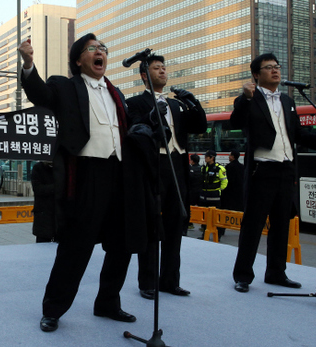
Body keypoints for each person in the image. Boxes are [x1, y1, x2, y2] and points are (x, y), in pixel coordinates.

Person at [19, 34, 158, 332]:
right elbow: (40, 95)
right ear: (79, 59)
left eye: (103, 49)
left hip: (120, 174)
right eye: (93, 49)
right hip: (87, 174)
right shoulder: (66, 86)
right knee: (75, 247)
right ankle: (53, 309)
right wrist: (29, 65)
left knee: (121, 244)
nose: (101, 53)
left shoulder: (115, 92)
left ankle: (108, 303)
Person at [231, 53, 316, 293]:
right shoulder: (251, 99)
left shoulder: (287, 100)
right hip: (262, 170)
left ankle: (276, 272)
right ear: (256, 74)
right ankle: (242, 275)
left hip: (286, 168)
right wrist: (245, 98)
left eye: (277, 67)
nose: (275, 71)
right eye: (268, 67)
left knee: (282, 224)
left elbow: (298, 135)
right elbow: (235, 121)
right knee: (253, 224)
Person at [126, 54, 207, 300]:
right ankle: (147, 281)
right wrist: (151, 117)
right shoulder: (136, 103)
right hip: (154, 164)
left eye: (164, 67)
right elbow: (133, 130)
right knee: (152, 224)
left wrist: (194, 104)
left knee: (176, 222)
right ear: (143, 75)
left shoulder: (176, 104)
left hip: (178, 165)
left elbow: (200, 126)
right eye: (156, 68)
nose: (162, 71)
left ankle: (170, 280)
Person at [199, 150, 228, 240]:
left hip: (214, 196)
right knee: (204, 216)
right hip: (204, 195)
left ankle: (217, 235)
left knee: (216, 217)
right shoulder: (203, 168)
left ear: (212, 158)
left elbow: (224, 181)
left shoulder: (220, 169)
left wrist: (219, 190)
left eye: (207, 156)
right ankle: (204, 234)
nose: (205, 158)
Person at [30, 160, 56, 243]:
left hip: (58, 214)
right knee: (42, 244)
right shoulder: (38, 168)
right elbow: (38, 189)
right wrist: (58, 187)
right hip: (43, 213)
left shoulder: (62, 167)